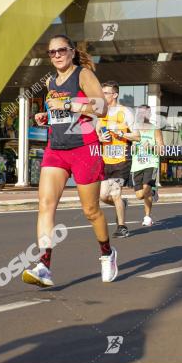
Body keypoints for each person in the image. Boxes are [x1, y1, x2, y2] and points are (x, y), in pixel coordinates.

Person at [22, 35, 117, 287]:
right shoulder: (50, 80)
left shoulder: (83, 75)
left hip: (84, 147)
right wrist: (46, 115)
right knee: (45, 204)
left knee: (90, 210)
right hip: (57, 148)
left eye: (61, 50)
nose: (56, 55)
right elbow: (60, 111)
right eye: (51, 52)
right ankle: (44, 265)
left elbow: (101, 107)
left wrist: (68, 103)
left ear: (72, 52)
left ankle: (107, 253)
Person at [98, 81, 139, 238]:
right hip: (105, 159)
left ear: (115, 94)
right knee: (103, 196)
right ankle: (122, 203)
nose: (102, 96)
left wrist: (121, 133)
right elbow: (96, 135)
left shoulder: (125, 112)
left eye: (106, 93)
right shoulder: (100, 113)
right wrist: (101, 138)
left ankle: (122, 227)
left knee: (115, 193)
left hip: (122, 159)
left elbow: (137, 136)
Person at [131, 104, 164, 227]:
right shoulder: (135, 129)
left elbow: (162, 149)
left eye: (144, 112)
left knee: (146, 190)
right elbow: (133, 146)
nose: (141, 115)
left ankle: (147, 217)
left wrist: (151, 147)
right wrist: (133, 147)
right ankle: (153, 191)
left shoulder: (155, 129)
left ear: (149, 114)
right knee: (140, 195)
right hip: (137, 165)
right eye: (139, 112)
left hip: (151, 163)